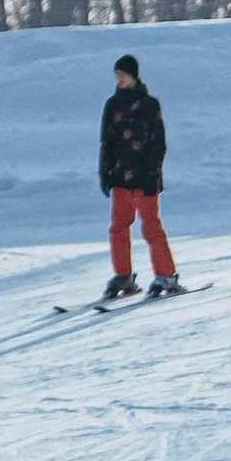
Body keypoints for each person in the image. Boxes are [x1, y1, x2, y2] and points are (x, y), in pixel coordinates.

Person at [98, 53, 179, 301]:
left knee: (151, 228)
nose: (119, 79)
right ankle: (124, 275)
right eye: (117, 75)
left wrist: (153, 173)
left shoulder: (149, 104)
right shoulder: (112, 105)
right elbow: (107, 141)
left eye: (122, 75)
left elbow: (158, 143)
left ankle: (167, 275)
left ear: (133, 75)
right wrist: (104, 172)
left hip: (145, 179)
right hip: (121, 177)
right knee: (119, 228)